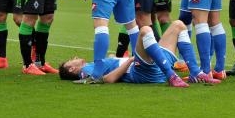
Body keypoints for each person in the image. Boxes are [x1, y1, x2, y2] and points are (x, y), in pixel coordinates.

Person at [60, 21, 219, 86]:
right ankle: (172, 76)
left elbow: (108, 69)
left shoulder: (90, 66)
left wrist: (114, 59)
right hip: (141, 71)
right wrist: (128, 61)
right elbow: (108, 79)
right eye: (70, 62)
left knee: (178, 25)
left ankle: (195, 73)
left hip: (151, 67)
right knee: (144, 31)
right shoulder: (86, 71)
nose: (73, 59)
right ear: (73, 70)